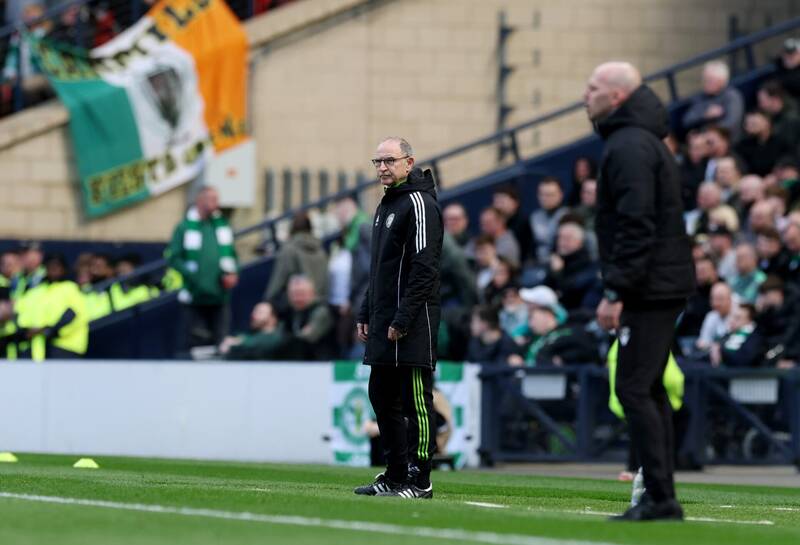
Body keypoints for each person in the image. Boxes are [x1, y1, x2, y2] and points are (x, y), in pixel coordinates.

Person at [585, 61, 695, 521]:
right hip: (660, 281)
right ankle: (659, 494)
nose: (584, 95)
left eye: (592, 87)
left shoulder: (628, 144)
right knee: (645, 387)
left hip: (650, 285)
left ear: (616, 97)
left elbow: (636, 223)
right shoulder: (638, 140)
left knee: (633, 388)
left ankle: (661, 496)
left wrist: (616, 290)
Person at [354, 137, 443, 499]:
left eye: (389, 160)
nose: (382, 168)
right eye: (377, 161)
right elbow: (380, 269)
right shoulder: (385, 205)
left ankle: (420, 479)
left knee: (416, 401)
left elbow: (425, 269)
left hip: (412, 321)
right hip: (383, 318)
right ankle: (394, 474)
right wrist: (366, 308)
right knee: (381, 395)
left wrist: (404, 317)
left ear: (409, 162)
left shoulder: (420, 203)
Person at [167, 186, 239, 356]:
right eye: (212, 199)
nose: (216, 203)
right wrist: (194, 277)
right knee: (191, 346)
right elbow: (173, 257)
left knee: (221, 346)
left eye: (217, 199)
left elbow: (233, 256)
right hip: (194, 297)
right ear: (200, 201)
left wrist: (234, 273)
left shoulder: (222, 226)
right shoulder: (184, 227)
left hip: (220, 296)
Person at [681, 61, 744, 141]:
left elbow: (731, 123)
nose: (705, 83)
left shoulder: (732, 96)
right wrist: (705, 116)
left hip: (726, 142)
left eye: (710, 80)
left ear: (722, 81)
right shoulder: (700, 98)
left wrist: (707, 133)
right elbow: (687, 121)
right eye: (705, 79)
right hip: (701, 142)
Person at [281, 275, 335, 360]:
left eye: (301, 293)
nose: (297, 298)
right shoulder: (288, 312)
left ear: (312, 293)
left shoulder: (321, 311)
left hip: (321, 362)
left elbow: (309, 336)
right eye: (294, 294)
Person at [221, 302, 286, 360]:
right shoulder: (249, 334)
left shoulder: (279, 336)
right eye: (254, 312)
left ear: (273, 318)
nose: (253, 315)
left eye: (259, 312)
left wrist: (237, 343)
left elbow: (266, 343)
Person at [530, 176, 568, 264]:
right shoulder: (534, 217)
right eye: (541, 194)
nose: (544, 198)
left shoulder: (567, 216)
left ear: (561, 195)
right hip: (538, 265)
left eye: (550, 195)